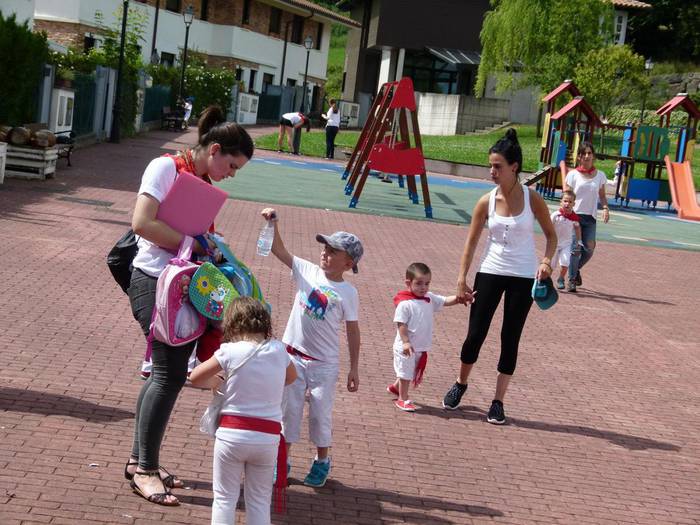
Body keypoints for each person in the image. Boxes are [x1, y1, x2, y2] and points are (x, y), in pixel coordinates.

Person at [125, 105, 254, 506]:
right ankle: (145, 469)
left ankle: (140, 461)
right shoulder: (165, 167)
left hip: (180, 283)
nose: (231, 174)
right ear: (214, 150)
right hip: (154, 281)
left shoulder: (198, 178)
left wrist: (208, 245)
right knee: (168, 373)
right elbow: (142, 223)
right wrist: (193, 242)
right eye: (231, 165)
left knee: (165, 373)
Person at [441, 128, 557, 425]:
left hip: (522, 277)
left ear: (514, 167)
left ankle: (498, 401)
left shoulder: (533, 200)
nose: (492, 171)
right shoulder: (485, 201)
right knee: (475, 335)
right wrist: (461, 276)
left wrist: (546, 261)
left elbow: (551, 237)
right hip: (490, 272)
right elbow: (470, 243)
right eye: (490, 166)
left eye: (497, 166)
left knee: (510, 337)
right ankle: (460, 383)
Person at [260, 207, 363, 488]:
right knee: (287, 411)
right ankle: (283, 459)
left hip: (324, 364)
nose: (325, 253)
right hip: (292, 356)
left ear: (348, 262)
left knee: (319, 414)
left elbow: (353, 331)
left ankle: (322, 460)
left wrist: (354, 367)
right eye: (325, 248)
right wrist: (273, 224)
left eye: (333, 251)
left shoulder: (348, 293)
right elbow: (279, 251)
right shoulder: (306, 270)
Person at [189, 297, 297, 525]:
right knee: (259, 500)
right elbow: (291, 378)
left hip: (232, 434)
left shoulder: (229, 351)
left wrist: (218, 382)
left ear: (233, 323)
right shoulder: (278, 350)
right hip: (267, 437)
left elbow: (196, 377)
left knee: (224, 498)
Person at [388, 262, 459, 412]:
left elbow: (445, 301)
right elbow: (401, 324)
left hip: (420, 346)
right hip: (406, 347)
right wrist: (406, 342)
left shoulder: (429, 298)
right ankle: (402, 398)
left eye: (427, 283)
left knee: (409, 371)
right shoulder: (405, 303)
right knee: (406, 373)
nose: (423, 287)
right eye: (419, 283)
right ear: (408, 282)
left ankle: (395, 387)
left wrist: (459, 298)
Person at [562, 142, 610, 292]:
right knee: (575, 249)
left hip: (591, 218)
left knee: (589, 248)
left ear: (593, 156)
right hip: (574, 217)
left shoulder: (600, 176)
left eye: (590, 153)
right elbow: (567, 196)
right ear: (580, 157)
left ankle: (575, 270)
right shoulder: (573, 175)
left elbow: (602, 196)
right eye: (584, 153)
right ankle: (571, 281)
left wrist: (606, 208)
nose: (587, 156)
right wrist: (565, 211)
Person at [550, 190, 582, 290]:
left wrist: (579, 241)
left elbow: (577, 229)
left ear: (574, 204)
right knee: (551, 264)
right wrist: (549, 238)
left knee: (565, 262)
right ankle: (546, 281)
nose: (567, 204)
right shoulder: (555, 215)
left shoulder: (574, 218)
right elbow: (549, 227)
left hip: (566, 244)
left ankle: (561, 279)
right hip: (554, 243)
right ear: (561, 202)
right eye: (565, 201)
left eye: (570, 202)